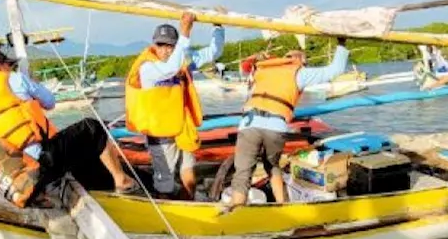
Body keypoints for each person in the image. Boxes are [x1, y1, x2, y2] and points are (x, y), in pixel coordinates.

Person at [0, 46, 137, 205]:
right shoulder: (15, 79)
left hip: (17, 177)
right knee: (92, 127)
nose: (10, 67)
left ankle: (43, 194)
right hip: (41, 165)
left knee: (64, 151)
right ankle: (122, 181)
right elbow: (50, 102)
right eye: (8, 64)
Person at [222, 40, 349, 210]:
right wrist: (341, 43)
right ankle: (283, 206)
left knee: (243, 172)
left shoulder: (265, 67)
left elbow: (245, 66)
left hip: (249, 123)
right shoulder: (300, 72)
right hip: (275, 126)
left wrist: (258, 57)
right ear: (300, 62)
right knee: (272, 166)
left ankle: (236, 210)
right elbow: (336, 70)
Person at [124, 13, 224, 198]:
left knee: (188, 168)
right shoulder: (147, 68)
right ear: (154, 45)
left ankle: (190, 202)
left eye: (170, 45)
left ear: (175, 46)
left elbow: (213, 52)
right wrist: (185, 31)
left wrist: (217, 26)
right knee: (165, 181)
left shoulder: (182, 58)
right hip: (159, 132)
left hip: (182, 126)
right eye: (160, 44)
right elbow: (170, 68)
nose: (165, 49)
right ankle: (165, 209)